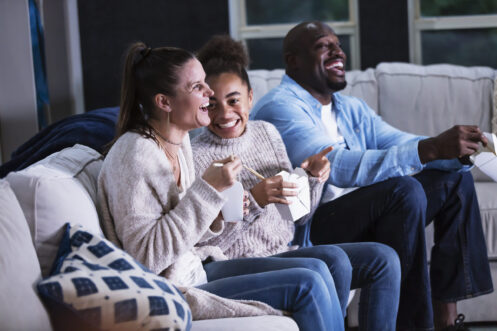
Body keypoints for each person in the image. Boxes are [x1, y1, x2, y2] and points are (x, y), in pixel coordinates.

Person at [250, 21, 494, 331]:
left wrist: (455, 153)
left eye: (338, 45)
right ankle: (413, 325)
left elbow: (401, 143)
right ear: (293, 60)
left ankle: (445, 320)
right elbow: (335, 165)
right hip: (314, 223)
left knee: (455, 179)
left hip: (366, 213)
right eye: (323, 46)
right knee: (403, 191)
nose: (338, 52)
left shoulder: (351, 108)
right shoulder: (280, 108)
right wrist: (431, 148)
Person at [97, 41, 346, 331]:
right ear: (164, 102)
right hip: (169, 289)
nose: (209, 93)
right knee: (308, 282)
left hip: (195, 267)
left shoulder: (178, 143)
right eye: (197, 87)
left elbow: (190, 232)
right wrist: (207, 192)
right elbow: (146, 259)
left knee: (320, 266)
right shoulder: (136, 154)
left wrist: (220, 212)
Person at [192, 35, 401, 331]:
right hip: (235, 261)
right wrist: (254, 201)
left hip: (284, 249)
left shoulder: (266, 133)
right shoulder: (197, 156)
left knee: (384, 258)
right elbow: (205, 244)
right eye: (213, 104)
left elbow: (298, 215)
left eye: (234, 100)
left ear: (250, 97)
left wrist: (312, 179)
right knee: (334, 260)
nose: (225, 113)